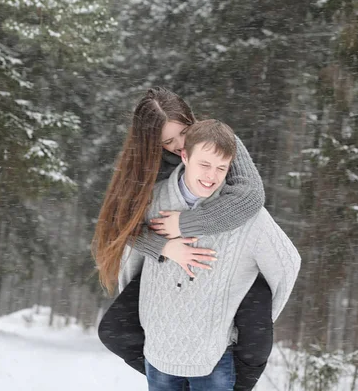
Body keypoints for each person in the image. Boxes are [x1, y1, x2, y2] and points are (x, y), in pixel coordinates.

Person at [93, 88, 272, 390]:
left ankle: (231, 384)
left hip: (229, 253)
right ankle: (181, 374)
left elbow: (250, 196)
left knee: (256, 331)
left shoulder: (215, 139)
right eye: (167, 142)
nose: (178, 146)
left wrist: (185, 224)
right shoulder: (143, 165)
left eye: (183, 134)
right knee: (115, 331)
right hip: (170, 263)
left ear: (191, 121)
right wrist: (163, 246)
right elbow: (119, 224)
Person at [118, 119, 301, 391]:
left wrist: (252, 323)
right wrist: (148, 318)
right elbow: (128, 262)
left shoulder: (251, 218)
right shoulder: (152, 201)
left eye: (221, 168)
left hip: (214, 359)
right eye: (204, 164)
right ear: (184, 155)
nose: (211, 176)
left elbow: (287, 266)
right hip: (158, 355)